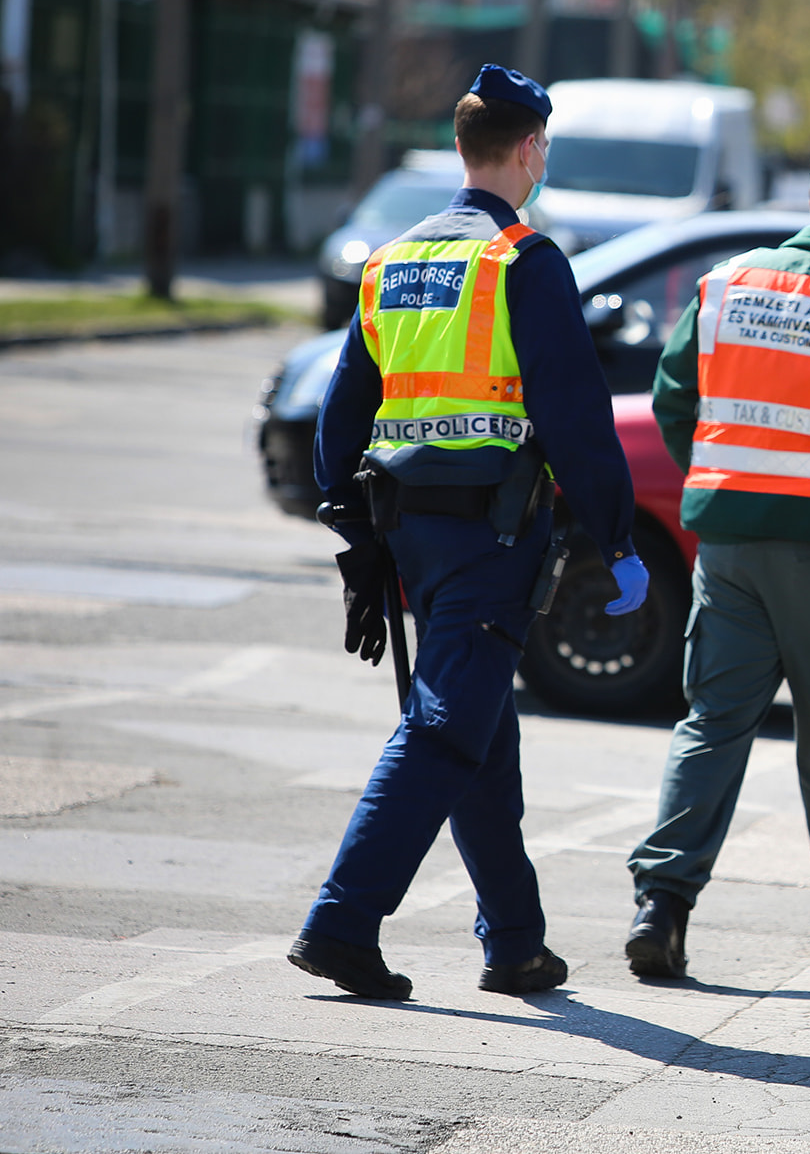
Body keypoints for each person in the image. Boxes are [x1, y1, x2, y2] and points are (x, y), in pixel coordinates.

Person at [289, 65, 646, 1002]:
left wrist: (353, 535)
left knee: (481, 732)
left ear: (460, 146)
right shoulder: (524, 259)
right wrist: (617, 537)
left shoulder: (393, 259)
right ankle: (342, 921)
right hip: (494, 534)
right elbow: (574, 418)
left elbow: (342, 418)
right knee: (446, 729)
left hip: (410, 533)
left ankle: (516, 943)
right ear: (530, 149)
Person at [621, 130, 810, 980]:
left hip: (731, 550)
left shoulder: (728, 282)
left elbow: (674, 400)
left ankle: (662, 906)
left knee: (711, 724)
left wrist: (727, 481)